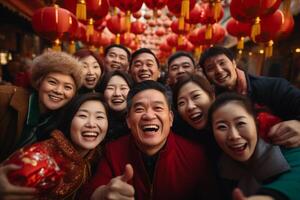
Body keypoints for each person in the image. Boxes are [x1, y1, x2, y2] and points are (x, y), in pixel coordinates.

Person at [80, 80, 220, 200]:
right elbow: (88, 193)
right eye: (139, 109)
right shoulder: (113, 150)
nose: (149, 115)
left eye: (158, 108)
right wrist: (102, 194)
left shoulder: (195, 154)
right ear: (128, 120)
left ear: (170, 118)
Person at [0, 92, 109, 199]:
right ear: (69, 120)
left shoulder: (98, 155)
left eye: (99, 117)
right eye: (82, 115)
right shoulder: (38, 157)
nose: (91, 124)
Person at [199, 46, 300, 148]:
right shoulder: (213, 102)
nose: (219, 71)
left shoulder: (273, 87)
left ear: (234, 63)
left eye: (222, 63)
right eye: (210, 68)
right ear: (207, 76)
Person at [208, 92, 300, 200]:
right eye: (222, 127)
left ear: (255, 123)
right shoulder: (220, 166)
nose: (234, 136)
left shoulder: (286, 149)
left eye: (241, 123)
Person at [0, 51, 83, 162]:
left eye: (67, 87)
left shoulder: (64, 119)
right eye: (52, 82)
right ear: (39, 82)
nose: (58, 91)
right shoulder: (4, 98)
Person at [97, 70, 133, 141]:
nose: (117, 94)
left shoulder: (136, 122)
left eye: (123, 88)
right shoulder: (96, 122)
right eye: (110, 88)